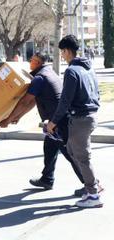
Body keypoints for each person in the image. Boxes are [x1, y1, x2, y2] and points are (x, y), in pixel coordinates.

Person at [0, 52, 85, 194]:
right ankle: (47, 179)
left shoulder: (39, 78)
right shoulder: (49, 72)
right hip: (56, 121)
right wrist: (18, 116)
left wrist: (8, 120)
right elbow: (33, 101)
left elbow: (25, 101)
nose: (29, 63)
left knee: (71, 154)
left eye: (32, 60)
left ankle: (90, 184)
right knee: (50, 147)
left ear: (38, 63)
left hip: (59, 122)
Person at [46, 35, 103, 208]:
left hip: (80, 118)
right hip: (90, 116)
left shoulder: (72, 71)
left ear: (67, 51)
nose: (62, 56)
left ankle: (93, 194)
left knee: (82, 157)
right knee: (71, 149)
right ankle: (92, 185)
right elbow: (97, 94)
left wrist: (53, 122)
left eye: (62, 52)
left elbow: (65, 100)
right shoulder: (88, 68)